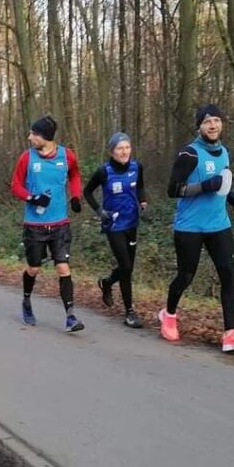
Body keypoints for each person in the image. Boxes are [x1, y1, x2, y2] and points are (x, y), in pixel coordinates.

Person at [159, 104, 234, 353]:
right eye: (207, 121)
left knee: (229, 275)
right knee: (186, 276)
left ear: (222, 124)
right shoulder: (189, 154)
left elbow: (221, 183)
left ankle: (230, 334)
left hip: (219, 224)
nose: (213, 125)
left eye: (216, 120)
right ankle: (168, 315)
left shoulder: (224, 152)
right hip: (190, 227)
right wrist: (205, 186)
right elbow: (173, 190)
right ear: (199, 126)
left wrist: (230, 195)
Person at [9, 114, 85, 332]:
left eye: (34, 134)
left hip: (60, 223)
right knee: (34, 268)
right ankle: (26, 300)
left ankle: (70, 317)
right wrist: (32, 197)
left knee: (63, 267)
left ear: (45, 136)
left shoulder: (67, 156)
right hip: (34, 225)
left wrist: (76, 196)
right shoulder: (27, 158)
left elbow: (75, 174)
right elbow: (15, 185)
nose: (30, 137)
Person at [83, 132, 147, 328]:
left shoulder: (137, 167)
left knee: (128, 268)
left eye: (127, 147)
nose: (124, 152)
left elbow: (140, 187)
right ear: (112, 151)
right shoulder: (104, 171)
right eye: (120, 148)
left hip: (132, 222)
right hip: (113, 224)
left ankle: (108, 283)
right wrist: (99, 210)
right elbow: (87, 192)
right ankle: (129, 312)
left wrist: (143, 201)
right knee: (125, 267)